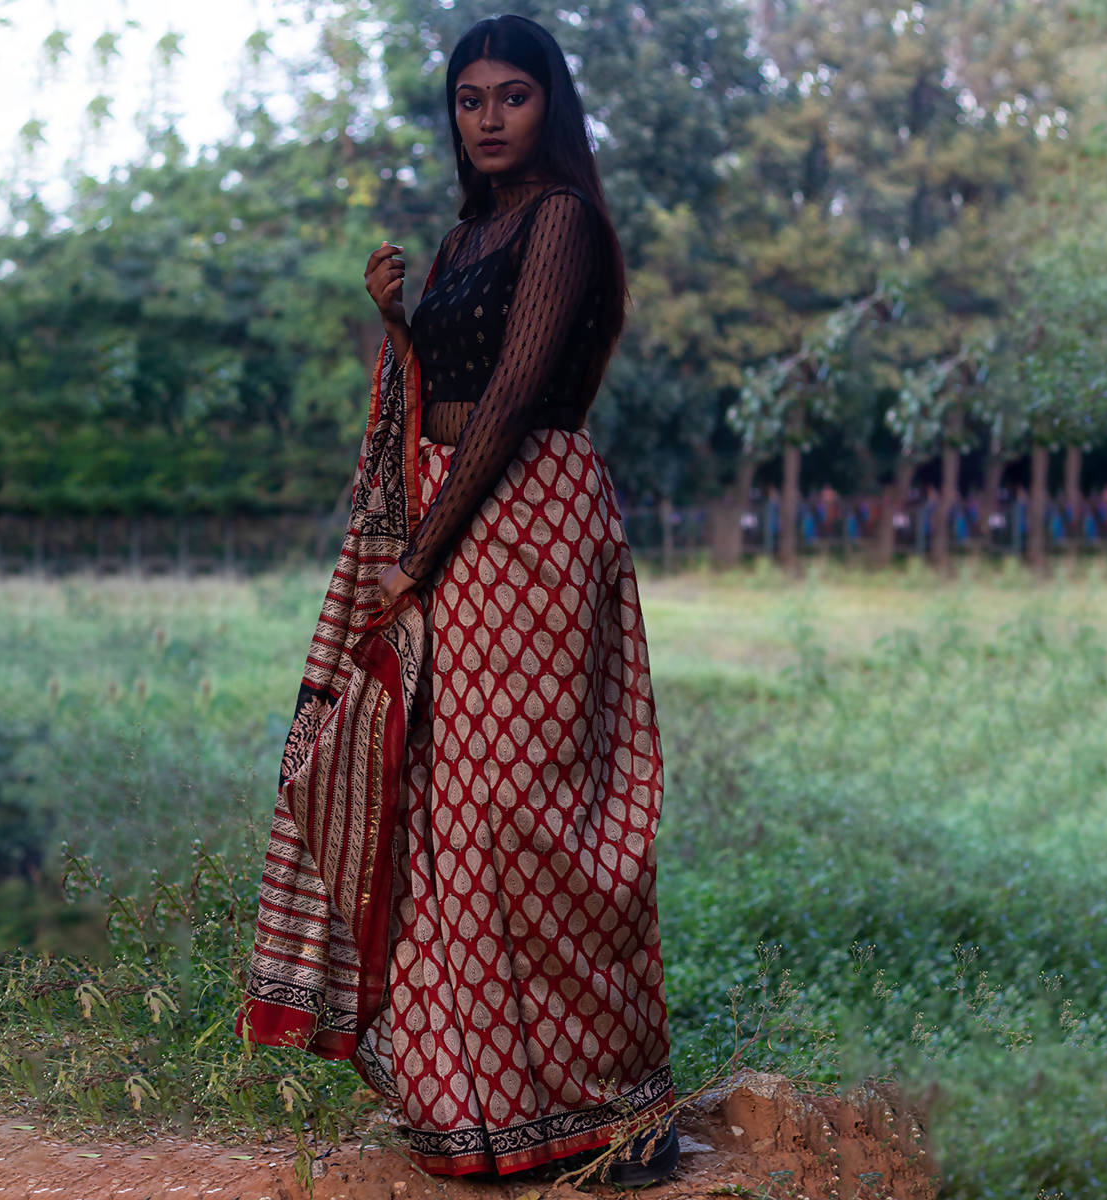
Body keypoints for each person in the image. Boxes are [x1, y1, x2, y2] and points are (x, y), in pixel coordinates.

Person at [238, 14, 676, 1184]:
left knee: (529, 810)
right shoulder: (462, 238)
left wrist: (421, 557)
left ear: (551, 106)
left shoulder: (562, 220)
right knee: (446, 805)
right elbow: (442, 386)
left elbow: (518, 393)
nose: (487, 118)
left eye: (511, 96)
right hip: (451, 513)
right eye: (469, 99)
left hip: (529, 524)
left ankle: (609, 1104)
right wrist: (398, 322)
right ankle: (482, 1105)